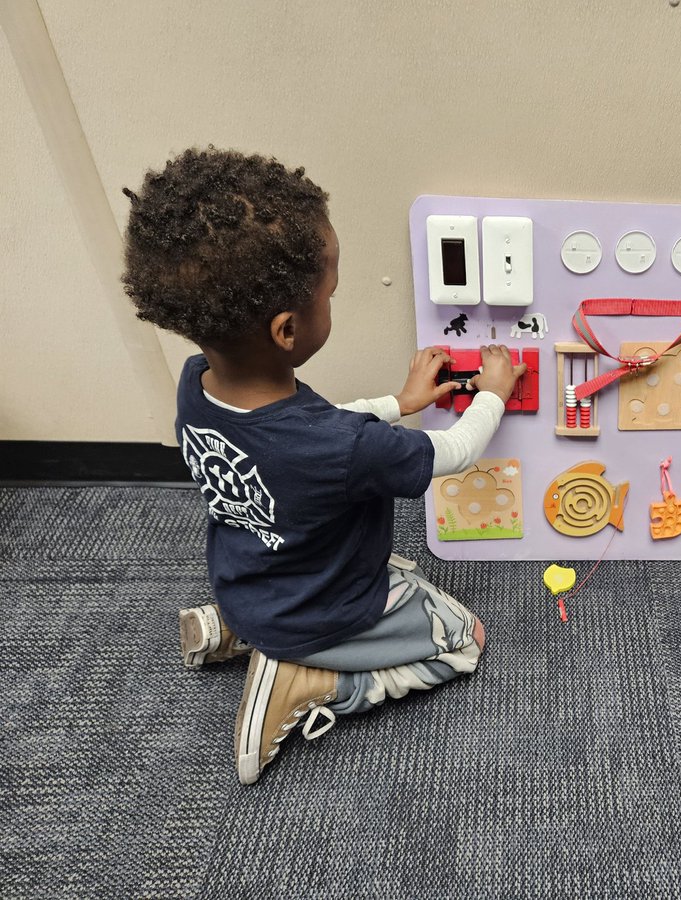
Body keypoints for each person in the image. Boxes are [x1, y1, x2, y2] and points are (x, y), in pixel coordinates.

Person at [122, 147, 525, 784]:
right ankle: (310, 678)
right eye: (330, 294)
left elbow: (318, 426)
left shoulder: (198, 381)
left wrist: (400, 402)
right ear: (287, 329)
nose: (333, 300)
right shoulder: (347, 449)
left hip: (249, 581)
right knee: (464, 638)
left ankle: (236, 628)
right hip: (328, 605)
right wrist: (497, 391)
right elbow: (454, 453)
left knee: (385, 569)